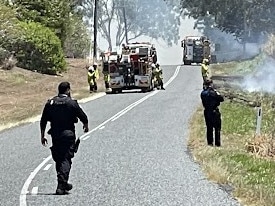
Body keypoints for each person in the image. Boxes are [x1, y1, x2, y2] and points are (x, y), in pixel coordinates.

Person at [40, 81, 89, 195]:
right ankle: (61, 186)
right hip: (68, 134)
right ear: (68, 90)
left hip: (55, 135)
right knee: (66, 159)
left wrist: (42, 135)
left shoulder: (51, 103)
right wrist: (85, 125)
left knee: (59, 158)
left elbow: (43, 120)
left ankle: (63, 182)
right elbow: (82, 116)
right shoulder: (71, 103)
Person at [200, 79, 224, 147]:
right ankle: (217, 143)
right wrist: (217, 92)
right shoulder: (213, 93)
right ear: (211, 84)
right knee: (217, 128)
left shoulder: (203, 93)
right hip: (214, 111)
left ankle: (210, 143)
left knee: (209, 128)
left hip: (207, 111)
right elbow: (221, 99)